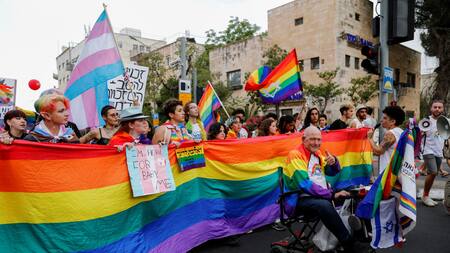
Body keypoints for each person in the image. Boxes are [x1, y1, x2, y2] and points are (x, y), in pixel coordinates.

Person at [286, 126, 354, 252]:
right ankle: (348, 243)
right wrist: (331, 195)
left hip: (318, 195)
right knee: (324, 205)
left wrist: (334, 162)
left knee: (353, 192)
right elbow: (304, 184)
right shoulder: (295, 155)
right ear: (303, 139)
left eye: (318, 139)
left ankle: (359, 235)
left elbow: (332, 172)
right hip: (299, 199)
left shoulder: (317, 154)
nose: (316, 143)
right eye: (312, 139)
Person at [367, 106, 405, 176]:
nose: (381, 120)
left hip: (388, 173)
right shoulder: (400, 131)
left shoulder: (390, 134)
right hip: (396, 170)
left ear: (393, 121)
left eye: (385, 118)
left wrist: (370, 138)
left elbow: (379, 151)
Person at [421, 100, 446, 207]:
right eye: (435, 107)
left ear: (443, 109)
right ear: (431, 108)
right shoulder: (426, 120)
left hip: (438, 150)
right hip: (427, 150)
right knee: (433, 172)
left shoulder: (446, 121)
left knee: (434, 174)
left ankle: (426, 195)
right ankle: (425, 196)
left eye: (439, 107)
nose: (437, 109)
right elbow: (419, 134)